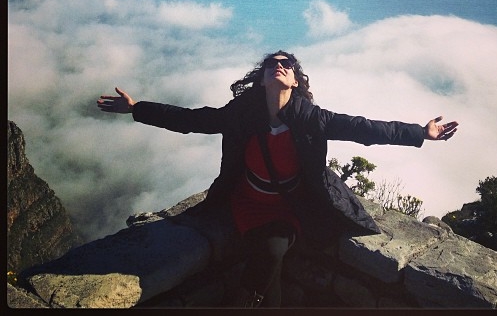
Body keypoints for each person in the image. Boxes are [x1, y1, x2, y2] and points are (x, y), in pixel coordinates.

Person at [97, 50, 458, 307]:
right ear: (263, 78)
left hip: (290, 204)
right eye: (272, 64)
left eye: (287, 65)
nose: (279, 67)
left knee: (272, 250)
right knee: (267, 259)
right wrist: (137, 109)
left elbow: (365, 128)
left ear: (296, 81)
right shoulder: (243, 113)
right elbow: (193, 120)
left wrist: (421, 133)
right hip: (247, 200)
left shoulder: (312, 118)